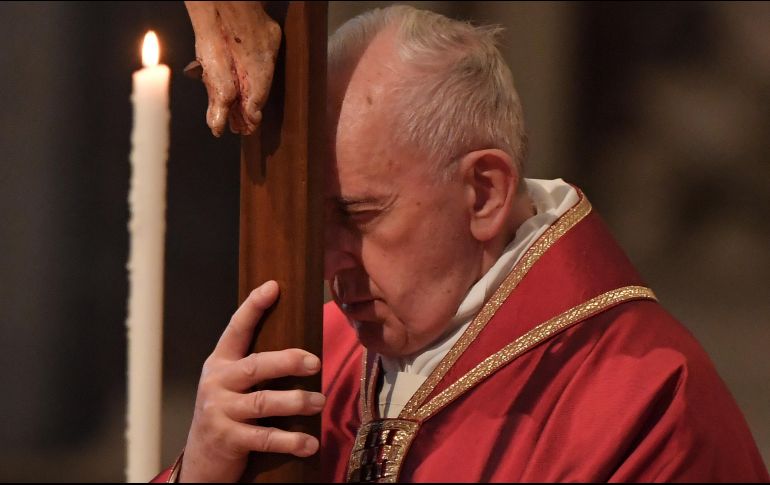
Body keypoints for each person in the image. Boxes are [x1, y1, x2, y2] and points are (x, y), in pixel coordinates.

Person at [156, 4, 769, 482]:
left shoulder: (643, 402)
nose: (328, 262)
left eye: (360, 215)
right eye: (318, 225)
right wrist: (203, 471)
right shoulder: (320, 359)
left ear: (483, 193)